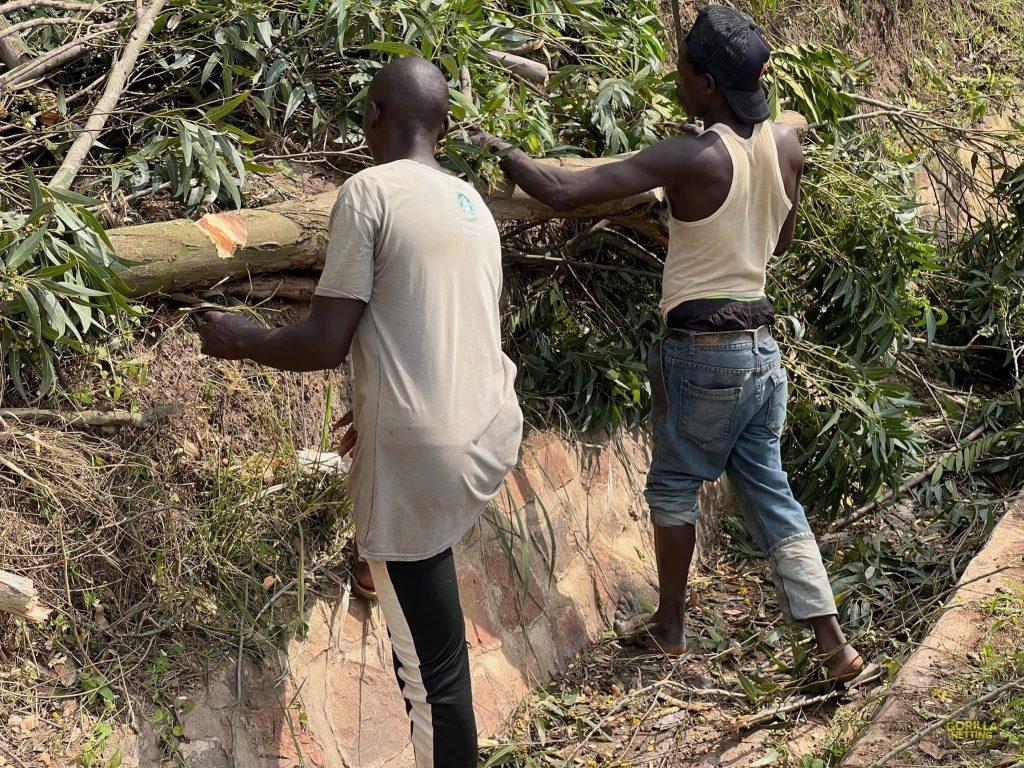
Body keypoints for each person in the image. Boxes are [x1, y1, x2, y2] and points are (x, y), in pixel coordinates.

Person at [469, 5, 869, 683]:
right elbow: (782, 241)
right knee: (772, 494)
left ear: (709, 83)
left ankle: (671, 627)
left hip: (703, 352)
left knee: (675, 486)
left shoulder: (691, 155)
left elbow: (563, 190)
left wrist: (496, 147)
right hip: (762, 351)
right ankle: (833, 644)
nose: (674, 74)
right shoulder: (786, 145)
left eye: (683, 67)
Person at [198, 56, 524, 767]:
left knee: (432, 682)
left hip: (419, 458)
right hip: (486, 429)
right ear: (443, 129)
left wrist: (242, 341)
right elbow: (446, 329)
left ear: (372, 115)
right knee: (440, 659)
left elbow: (324, 341)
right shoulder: (471, 203)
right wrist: (378, 405)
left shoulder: (368, 191)